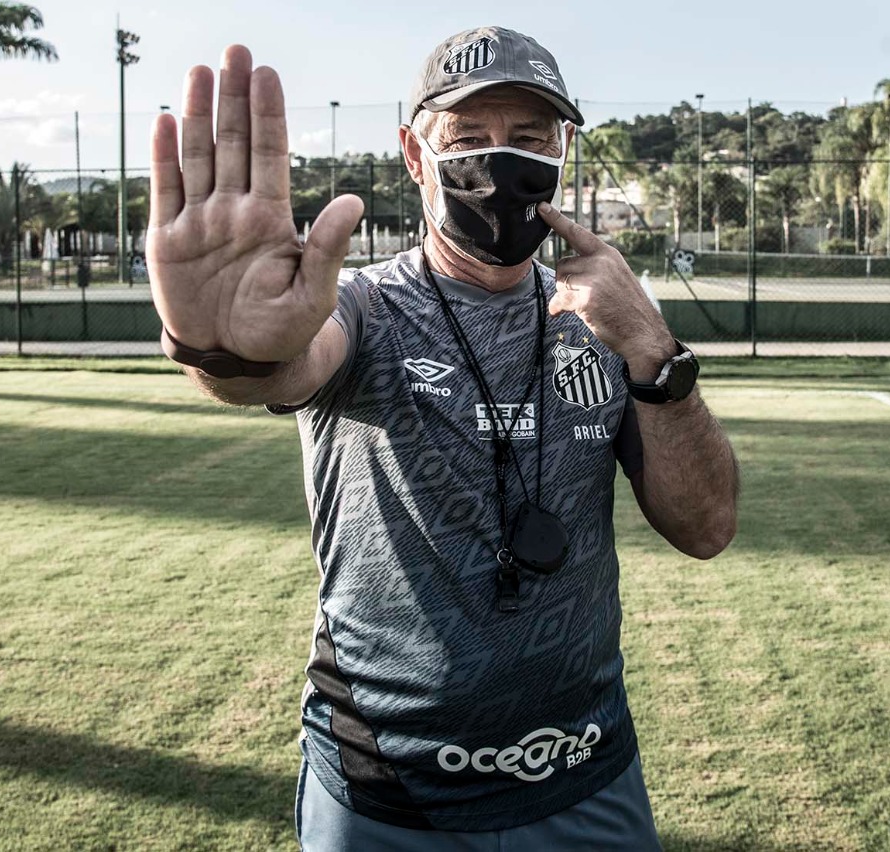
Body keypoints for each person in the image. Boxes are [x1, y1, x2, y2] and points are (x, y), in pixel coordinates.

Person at [147, 26, 739, 851]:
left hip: (582, 769)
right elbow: (286, 367)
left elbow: (706, 527)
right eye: (466, 140)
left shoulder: (612, 320)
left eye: (530, 140)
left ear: (565, 149)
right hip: (387, 793)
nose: (501, 165)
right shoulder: (365, 307)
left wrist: (655, 352)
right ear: (415, 156)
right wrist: (223, 344)